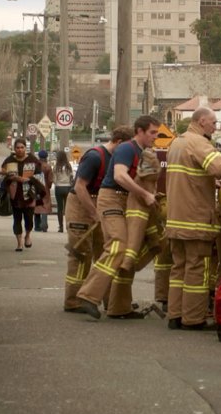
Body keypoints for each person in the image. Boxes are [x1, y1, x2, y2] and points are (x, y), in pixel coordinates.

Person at [68, 116, 160, 320]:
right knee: (118, 245)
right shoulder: (127, 148)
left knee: (129, 253)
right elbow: (119, 176)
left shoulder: (142, 152)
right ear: (140, 131)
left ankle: (120, 307)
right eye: (152, 132)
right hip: (112, 199)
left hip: (127, 201)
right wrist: (145, 194)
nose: (156, 136)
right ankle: (87, 296)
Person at [164, 107, 221, 330]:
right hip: (194, 220)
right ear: (202, 121)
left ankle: (175, 316)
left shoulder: (177, 142)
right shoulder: (199, 142)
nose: (215, 127)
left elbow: (191, 175)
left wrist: (209, 181)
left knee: (178, 269)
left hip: (176, 219)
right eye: (213, 122)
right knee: (196, 270)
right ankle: (193, 319)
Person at [63, 126, 133, 312]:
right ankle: (73, 301)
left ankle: (110, 301)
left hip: (101, 204)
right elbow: (80, 187)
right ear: (119, 142)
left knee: (106, 254)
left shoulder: (118, 158)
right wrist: (94, 213)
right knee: (81, 254)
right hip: (81, 205)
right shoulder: (95, 157)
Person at [0, 139, 44, 252]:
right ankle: (19, 243)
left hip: (29, 194)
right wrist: (10, 177)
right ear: (14, 149)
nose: (20, 150)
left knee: (29, 219)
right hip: (15, 195)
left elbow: (40, 176)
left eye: (22, 147)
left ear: (25, 148)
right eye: (17, 148)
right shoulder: (9, 161)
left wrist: (27, 179)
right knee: (17, 219)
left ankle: (27, 235)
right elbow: (1, 175)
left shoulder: (33, 160)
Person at [53, 151, 74, 233]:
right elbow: (72, 177)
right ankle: (68, 226)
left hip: (59, 187)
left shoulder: (56, 167)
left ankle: (61, 227)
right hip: (68, 187)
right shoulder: (69, 166)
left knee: (60, 208)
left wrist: (57, 183)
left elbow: (54, 179)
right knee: (67, 208)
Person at [34, 150, 54, 232]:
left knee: (37, 205)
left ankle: (37, 226)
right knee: (45, 206)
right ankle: (44, 225)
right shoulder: (48, 167)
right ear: (46, 157)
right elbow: (50, 180)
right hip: (45, 189)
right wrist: (49, 186)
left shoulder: (35, 166)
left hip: (36, 188)